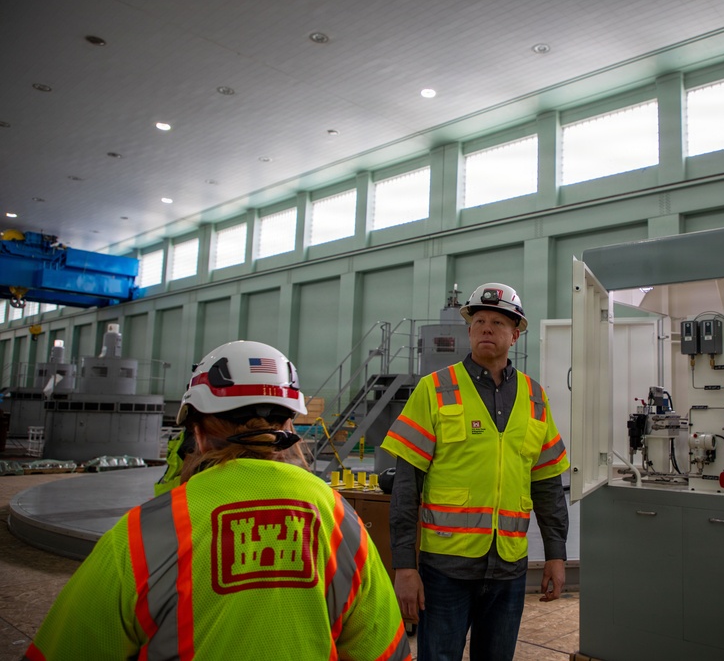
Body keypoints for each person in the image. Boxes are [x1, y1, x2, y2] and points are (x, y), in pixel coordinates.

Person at [27, 340, 411, 661]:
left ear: (197, 430)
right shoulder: (338, 517)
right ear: (290, 425)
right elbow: (384, 649)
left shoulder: (143, 534)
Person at [381, 282, 570, 661]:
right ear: (468, 330)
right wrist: (404, 567)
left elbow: (547, 483)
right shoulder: (434, 389)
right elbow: (405, 488)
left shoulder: (535, 398)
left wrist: (556, 554)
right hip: (445, 570)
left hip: (509, 570)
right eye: (479, 320)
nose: (487, 327)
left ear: (515, 334)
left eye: (498, 322)